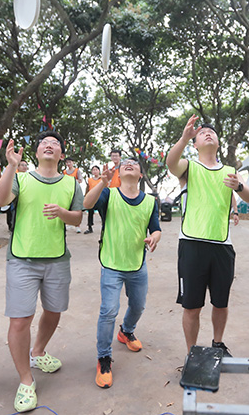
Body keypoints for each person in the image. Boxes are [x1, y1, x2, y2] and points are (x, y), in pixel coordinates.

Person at [0, 132, 83, 413]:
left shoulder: (72, 183)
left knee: (54, 311)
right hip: (22, 259)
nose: (49, 145)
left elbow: (78, 217)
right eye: (44, 143)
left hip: (57, 259)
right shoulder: (21, 178)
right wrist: (9, 166)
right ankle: (26, 380)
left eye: (55, 143)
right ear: (36, 152)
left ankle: (38, 351)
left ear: (61, 154)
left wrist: (62, 213)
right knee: (20, 320)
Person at [166, 116, 249, 356]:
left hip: (222, 247)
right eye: (201, 133)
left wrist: (238, 186)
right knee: (192, 307)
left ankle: (218, 343)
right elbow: (170, 163)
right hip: (192, 245)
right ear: (195, 144)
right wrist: (184, 138)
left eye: (212, 132)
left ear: (218, 142)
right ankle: (192, 352)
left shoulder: (229, 171)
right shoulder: (189, 167)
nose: (207, 133)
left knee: (221, 303)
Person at [83, 158, 161, 388]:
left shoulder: (150, 201)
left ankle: (126, 332)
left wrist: (154, 237)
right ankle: (103, 358)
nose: (129, 164)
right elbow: (87, 204)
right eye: (125, 163)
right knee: (108, 311)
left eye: (134, 164)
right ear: (119, 171)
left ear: (140, 175)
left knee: (138, 306)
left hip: (137, 264)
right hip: (111, 264)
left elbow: (156, 228)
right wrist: (102, 183)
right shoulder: (109, 194)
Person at [63, 158, 84, 233]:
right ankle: (65, 224)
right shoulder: (64, 172)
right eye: (67, 162)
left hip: (75, 190)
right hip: (67, 191)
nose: (68, 164)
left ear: (73, 162)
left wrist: (72, 181)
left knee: (77, 208)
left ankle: (77, 226)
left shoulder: (77, 171)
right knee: (66, 207)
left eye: (69, 162)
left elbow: (80, 180)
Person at [85, 165, 102, 234]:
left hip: (100, 199)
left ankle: (105, 226)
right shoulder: (89, 180)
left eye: (96, 170)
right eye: (93, 170)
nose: (95, 171)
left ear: (99, 171)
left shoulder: (102, 179)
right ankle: (89, 227)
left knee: (102, 213)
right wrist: (86, 196)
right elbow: (88, 188)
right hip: (91, 199)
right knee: (90, 213)